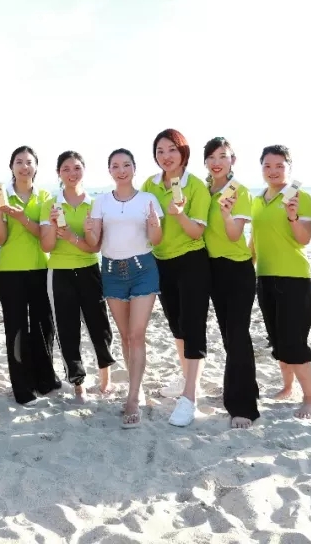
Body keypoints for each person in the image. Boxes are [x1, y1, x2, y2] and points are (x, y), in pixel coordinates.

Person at [83, 149, 164, 429]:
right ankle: (135, 386)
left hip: (143, 269)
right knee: (125, 336)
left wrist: (155, 226)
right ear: (109, 170)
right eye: (115, 166)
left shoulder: (148, 199)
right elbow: (94, 243)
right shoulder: (101, 202)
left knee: (136, 334)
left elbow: (156, 239)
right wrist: (88, 230)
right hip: (111, 272)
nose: (121, 170)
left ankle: (132, 398)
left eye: (126, 165)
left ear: (134, 168)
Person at [141, 129, 211, 428]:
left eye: (172, 149)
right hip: (161, 262)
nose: (166, 156)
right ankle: (186, 379)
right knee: (177, 328)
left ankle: (190, 397)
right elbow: (145, 225)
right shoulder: (150, 185)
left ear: (183, 152)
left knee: (193, 327)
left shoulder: (196, 186)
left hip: (192, 260)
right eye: (160, 151)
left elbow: (197, 232)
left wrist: (179, 215)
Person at [250, 145, 311, 419]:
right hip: (265, 276)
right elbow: (254, 240)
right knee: (277, 338)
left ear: (289, 168)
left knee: (294, 340)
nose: (273, 171)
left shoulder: (300, 197)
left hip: (293, 277)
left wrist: (292, 217)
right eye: (267, 165)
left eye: (279, 166)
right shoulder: (257, 200)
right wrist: (247, 267)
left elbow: (304, 238)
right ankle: (287, 387)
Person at [39, 151, 114, 403]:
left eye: (77, 168)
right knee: (66, 328)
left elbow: (94, 246)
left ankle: (105, 377)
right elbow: (47, 246)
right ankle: (78, 383)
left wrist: (71, 237)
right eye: (66, 169)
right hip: (59, 271)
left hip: (89, 269)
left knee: (99, 326)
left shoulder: (95, 204)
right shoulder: (50, 205)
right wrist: (52, 227)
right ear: (58, 173)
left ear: (84, 170)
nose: (72, 173)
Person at [0, 146, 61, 406]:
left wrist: (20, 217)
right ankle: (22, 388)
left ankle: (46, 380)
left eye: (29, 162)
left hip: (40, 268)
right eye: (19, 162)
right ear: (11, 167)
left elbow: (44, 235)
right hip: (10, 271)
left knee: (44, 326)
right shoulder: (2, 197)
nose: (24, 166)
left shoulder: (44, 196)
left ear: (36, 167)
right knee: (16, 329)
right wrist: (0, 214)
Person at [202, 137, 259, 428]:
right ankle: (246, 388)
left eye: (223, 156)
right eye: (212, 157)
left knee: (237, 335)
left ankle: (243, 406)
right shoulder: (203, 191)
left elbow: (235, 235)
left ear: (232, 160)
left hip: (237, 270)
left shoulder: (239, 191)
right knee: (229, 336)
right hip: (212, 270)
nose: (217, 162)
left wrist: (226, 215)